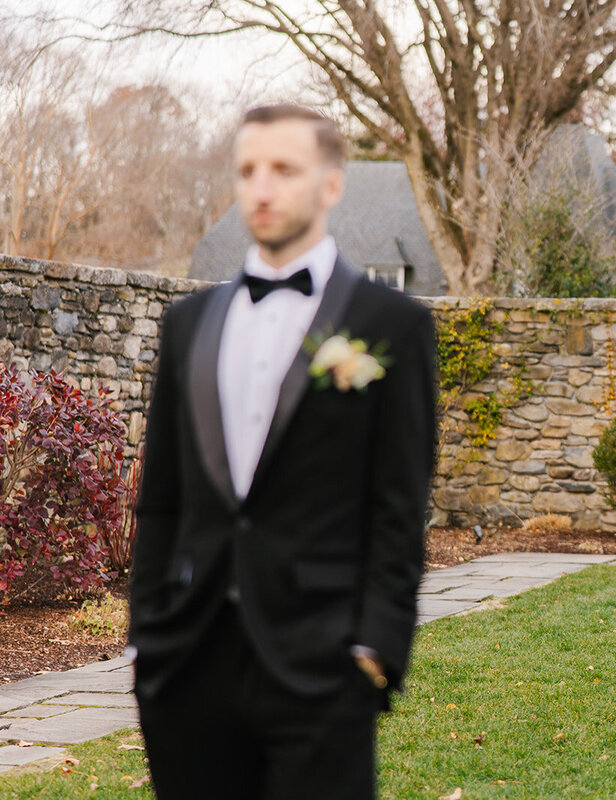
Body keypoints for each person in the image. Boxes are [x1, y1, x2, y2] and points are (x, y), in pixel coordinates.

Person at [129, 104, 437, 799]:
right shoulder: (188, 325)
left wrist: (375, 652)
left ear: (331, 185)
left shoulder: (393, 325)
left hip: (324, 666)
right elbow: (163, 497)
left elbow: (399, 504)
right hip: (187, 668)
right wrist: (146, 643)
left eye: (284, 170)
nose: (261, 188)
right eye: (247, 170)